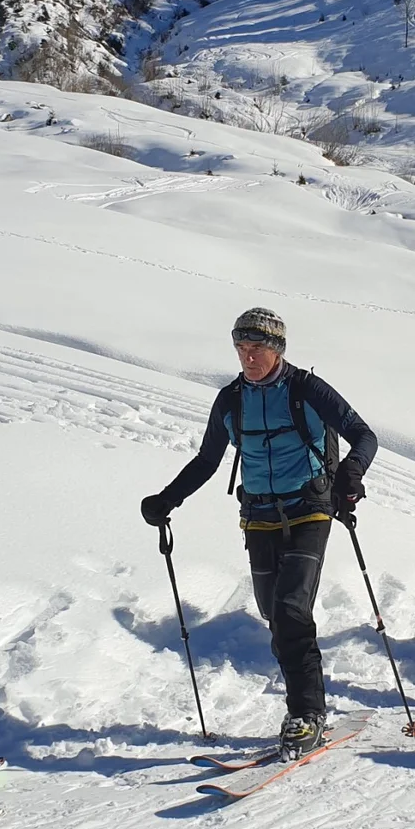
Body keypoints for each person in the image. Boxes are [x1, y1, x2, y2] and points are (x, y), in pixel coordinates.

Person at [139, 308, 377, 758]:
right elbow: (207, 460)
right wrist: (167, 499)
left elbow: (364, 435)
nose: (248, 357)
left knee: (290, 610)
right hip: (258, 516)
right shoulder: (230, 400)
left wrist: (351, 473)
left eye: (258, 348)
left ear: (278, 350)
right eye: (242, 348)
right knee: (274, 613)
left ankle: (307, 714)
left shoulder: (306, 389)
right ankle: (306, 699)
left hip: (309, 510)